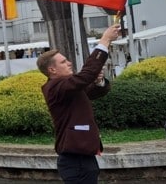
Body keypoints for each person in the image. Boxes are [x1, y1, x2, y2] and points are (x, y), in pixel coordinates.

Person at [36, 23, 120, 184]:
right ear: (52, 70)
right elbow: (84, 77)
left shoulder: (66, 87)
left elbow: (91, 90)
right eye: (63, 62)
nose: (69, 63)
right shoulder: (54, 87)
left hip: (83, 158)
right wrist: (105, 40)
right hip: (75, 160)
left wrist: (99, 81)